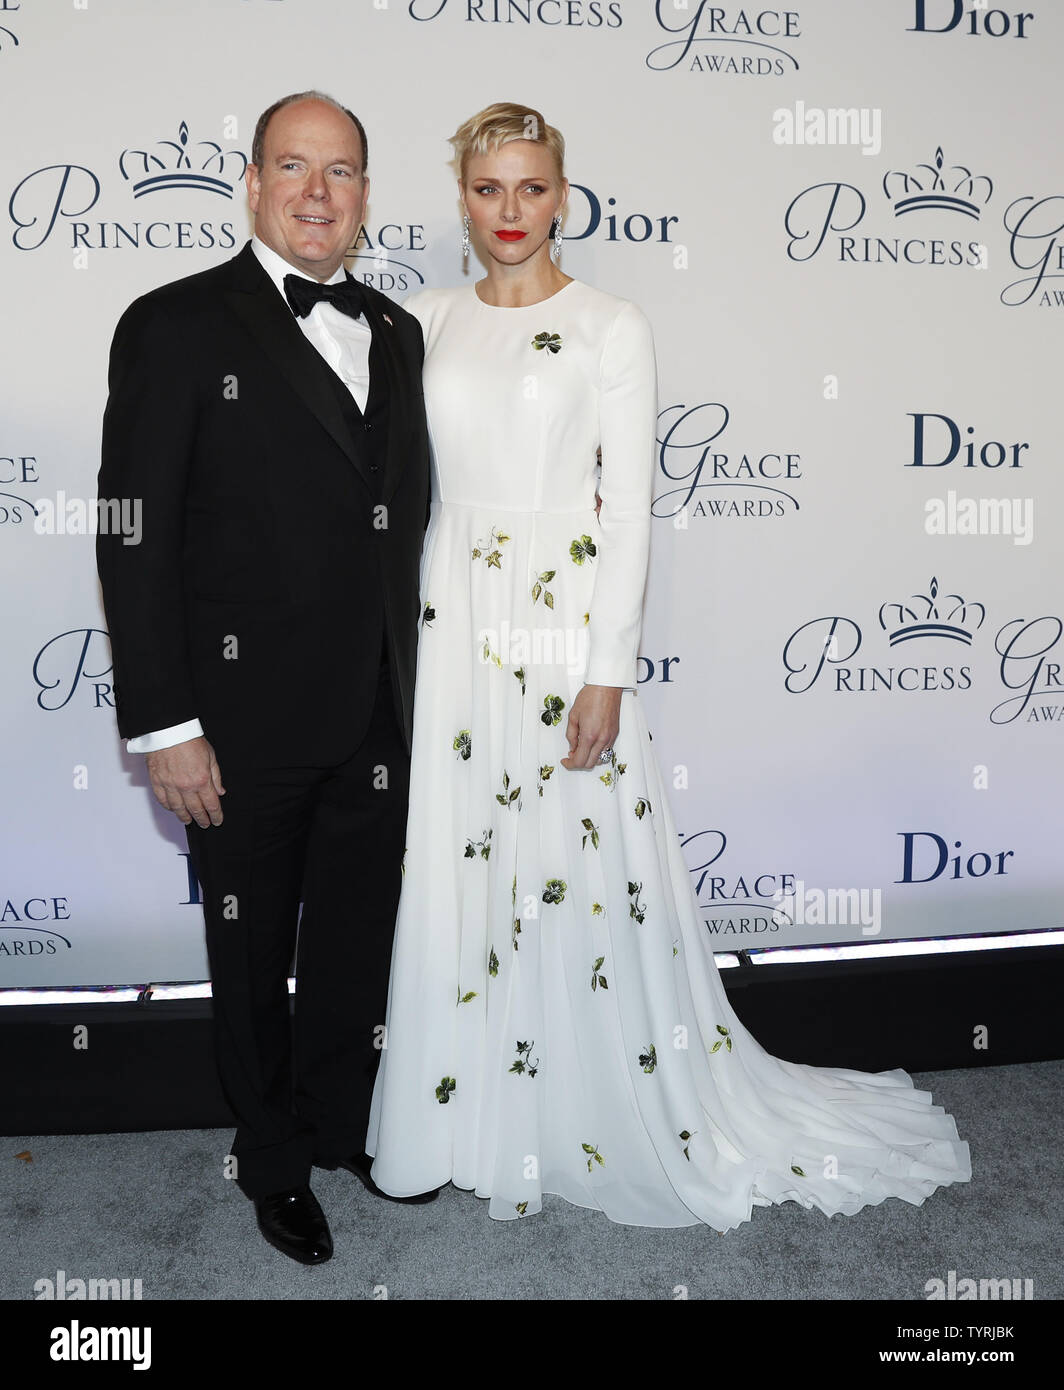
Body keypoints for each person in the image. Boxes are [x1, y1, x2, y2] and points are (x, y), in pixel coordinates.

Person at [366, 102, 972, 1228]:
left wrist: (606, 669)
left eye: (532, 188)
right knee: (465, 867)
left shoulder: (610, 325)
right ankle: (464, 1118)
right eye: (489, 189)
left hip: (560, 615)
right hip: (452, 617)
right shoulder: (421, 317)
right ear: (461, 196)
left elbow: (631, 511)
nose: (510, 212)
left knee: (571, 863)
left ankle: (579, 1114)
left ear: (562, 194)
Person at [96, 91, 438, 1265]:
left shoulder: (398, 329)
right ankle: (272, 1159)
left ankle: (341, 1126)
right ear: (250, 183)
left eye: (340, 171)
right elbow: (130, 531)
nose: (316, 192)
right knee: (248, 950)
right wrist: (164, 722)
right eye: (292, 167)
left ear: (363, 196)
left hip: (378, 711)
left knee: (354, 937)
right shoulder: (175, 323)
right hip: (234, 722)